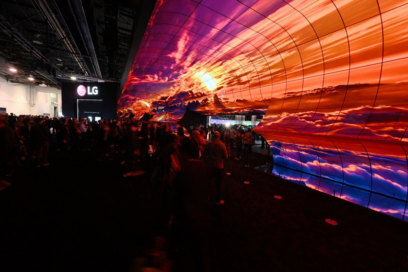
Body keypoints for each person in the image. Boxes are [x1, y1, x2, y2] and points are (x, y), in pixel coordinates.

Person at [203, 131, 228, 205]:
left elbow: (205, 154)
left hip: (210, 165)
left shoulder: (208, 144)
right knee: (218, 184)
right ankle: (217, 200)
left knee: (208, 182)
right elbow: (226, 156)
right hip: (219, 166)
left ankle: (206, 197)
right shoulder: (222, 145)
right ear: (219, 136)